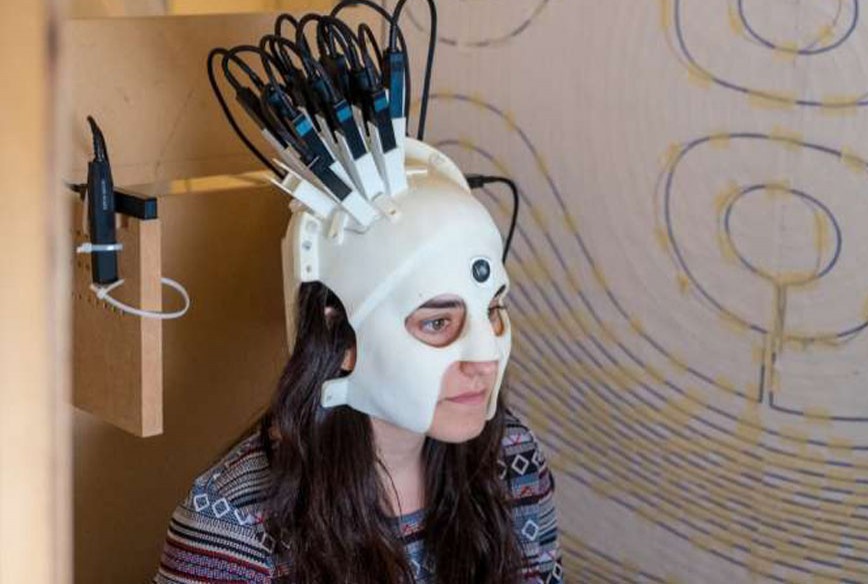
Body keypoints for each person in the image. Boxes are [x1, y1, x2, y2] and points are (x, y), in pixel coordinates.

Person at [153, 137, 562, 582]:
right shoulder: (231, 521)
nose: (484, 359)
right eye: (437, 323)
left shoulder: (510, 456)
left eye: (493, 312)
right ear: (340, 335)